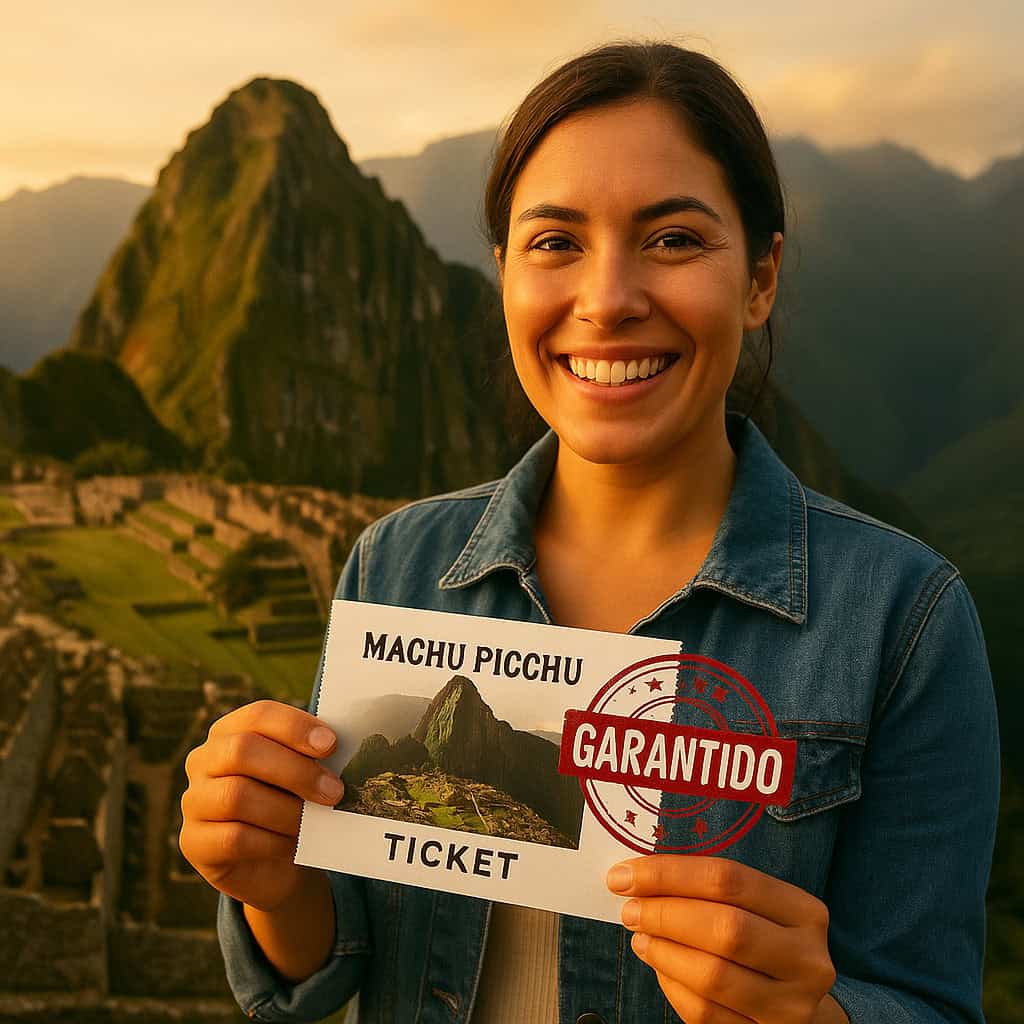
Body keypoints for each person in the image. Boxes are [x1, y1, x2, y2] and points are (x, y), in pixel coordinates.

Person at [179, 40, 1000, 1023]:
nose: (607, 300)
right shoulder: (397, 565)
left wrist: (813, 1014)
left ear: (761, 278)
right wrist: (272, 878)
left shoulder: (900, 619)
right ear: (503, 275)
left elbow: (929, 997)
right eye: (555, 242)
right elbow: (335, 957)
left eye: (673, 240)